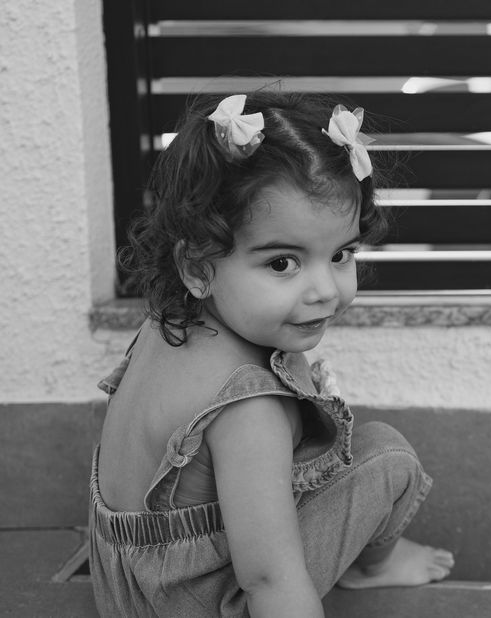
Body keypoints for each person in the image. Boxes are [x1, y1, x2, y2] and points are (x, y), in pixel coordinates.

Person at [89, 91, 454, 617]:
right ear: (197, 268)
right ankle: (373, 566)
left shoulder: (168, 324)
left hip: (125, 584)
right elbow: (268, 580)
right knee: (387, 455)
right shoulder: (247, 408)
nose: (324, 290)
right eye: (283, 263)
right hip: (198, 605)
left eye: (341, 254)